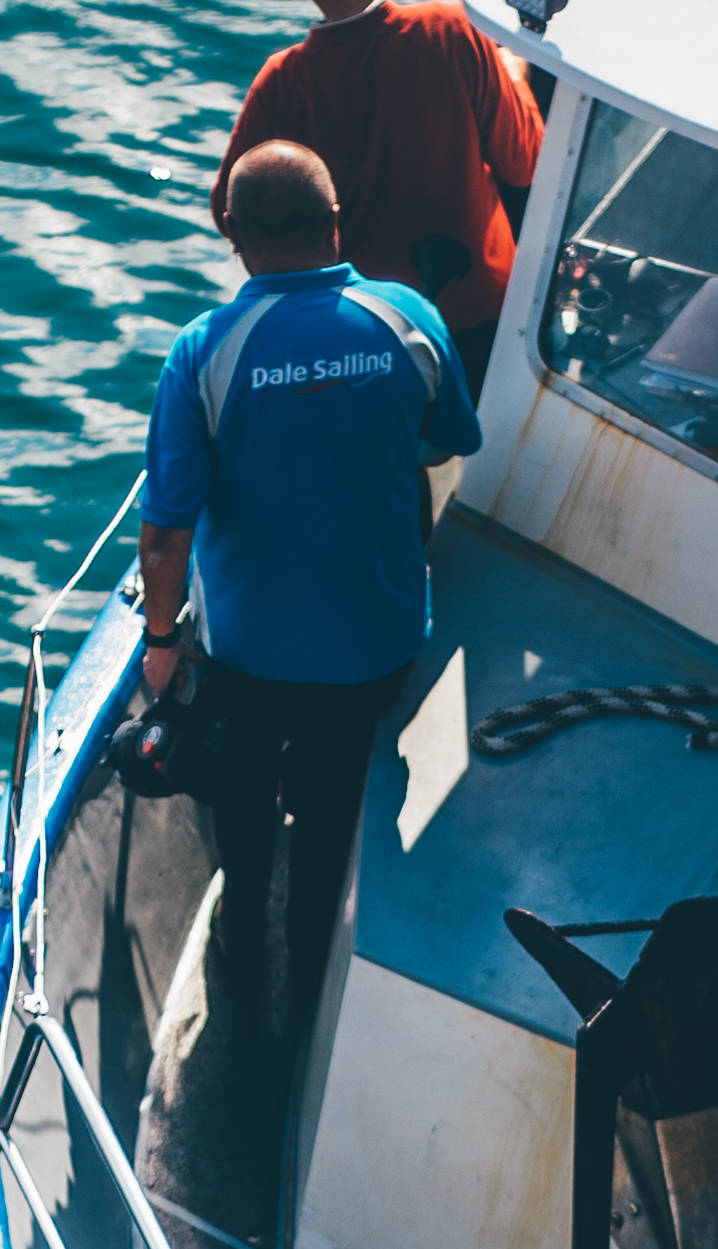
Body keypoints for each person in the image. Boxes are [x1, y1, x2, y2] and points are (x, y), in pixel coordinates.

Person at [140, 140, 484, 1129]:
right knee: (332, 799)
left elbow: (166, 532)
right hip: (374, 644)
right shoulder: (408, 321)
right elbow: (445, 439)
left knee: (246, 802)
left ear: (232, 234)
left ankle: (239, 946)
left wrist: (163, 641)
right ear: (338, 226)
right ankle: (313, 967)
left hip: (248, 655)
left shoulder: (204, 351)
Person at [217, 0, 546, 396]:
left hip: (361, 334)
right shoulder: (451, 31)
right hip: (478, 316)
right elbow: (525, 163)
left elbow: (230, 213)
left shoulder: (281, 83)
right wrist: (514, 72)